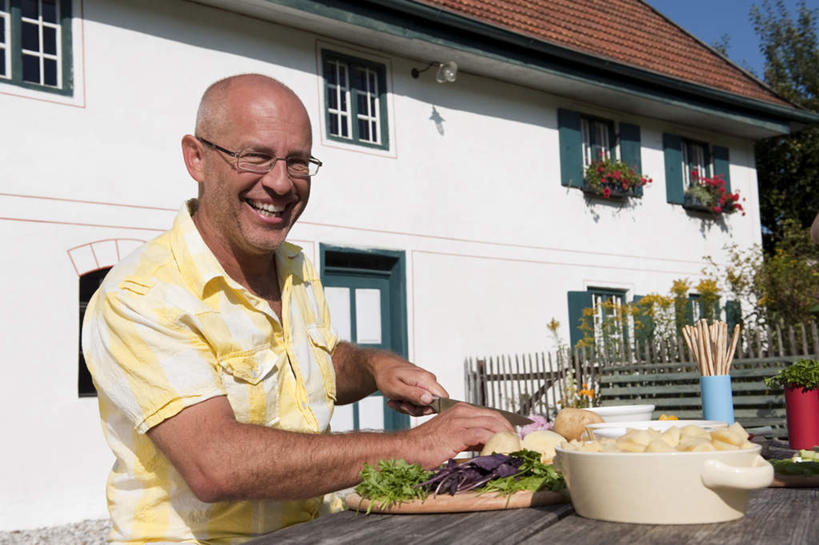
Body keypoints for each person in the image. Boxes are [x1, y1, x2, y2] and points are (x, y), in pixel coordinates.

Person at [81, 74, 511, 545]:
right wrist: (414, 446)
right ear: (197, 158)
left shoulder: (293, 266)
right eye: (255, 156)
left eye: (298, 162)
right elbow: (216, 465)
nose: (281, 182)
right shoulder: (142, 294)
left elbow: (315, 364)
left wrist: (372, 368)